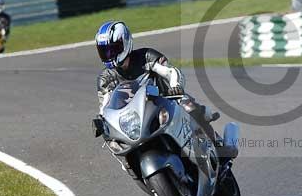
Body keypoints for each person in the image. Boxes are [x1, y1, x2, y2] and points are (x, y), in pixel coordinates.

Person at [94, 20, 235, 160]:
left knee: (189, 107)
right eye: (105, 51)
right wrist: (100, 121)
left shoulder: (146, 56)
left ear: (125, 43)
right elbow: (105, 107)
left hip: (167, 102)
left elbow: (170, 72)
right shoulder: (105, 78)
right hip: (135, 119)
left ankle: (218, 147)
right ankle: (134, 170)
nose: (109, 55)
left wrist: (175, 86)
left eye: (113, 49)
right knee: (115, 143)